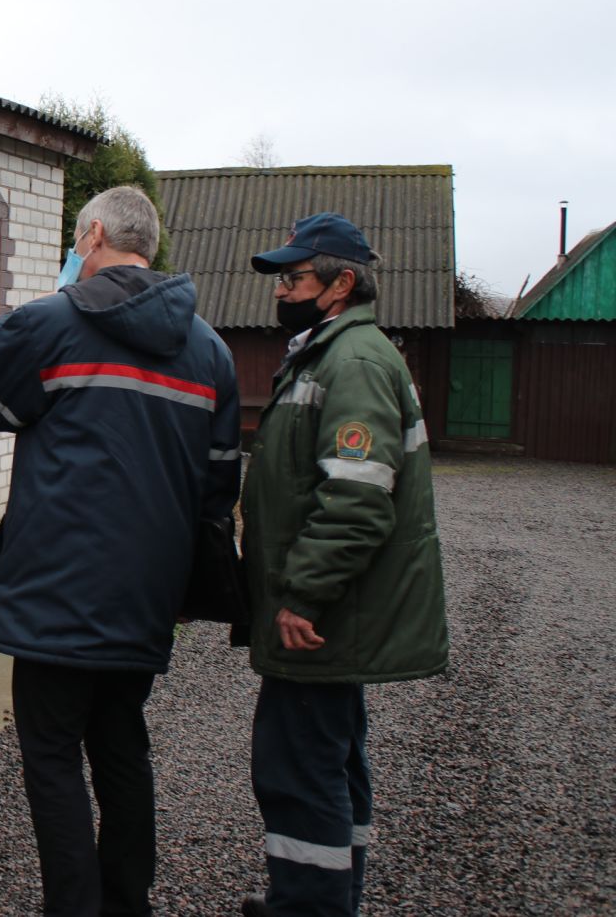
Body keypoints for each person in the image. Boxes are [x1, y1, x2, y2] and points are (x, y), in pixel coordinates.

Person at [0, 185, 241, 916]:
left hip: (55, 590)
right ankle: (126, 903)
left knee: (52, 755)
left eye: (78, 239)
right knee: (120, 745)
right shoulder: (210, 351)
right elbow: (218, 488)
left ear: (95, 235)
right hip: (147, 595)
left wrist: (26, 318)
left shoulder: (52, 323)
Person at [239, 212, 449, 917]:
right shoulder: (333, 352)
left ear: (342, 284)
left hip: (326, 619)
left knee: (298, 767)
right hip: (338, 617)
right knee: (331, 756)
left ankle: (309, 906)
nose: (280, 291)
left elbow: (358, 501)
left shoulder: (352, 362)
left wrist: (302, 594)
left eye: (295, 278)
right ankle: (332, 898)